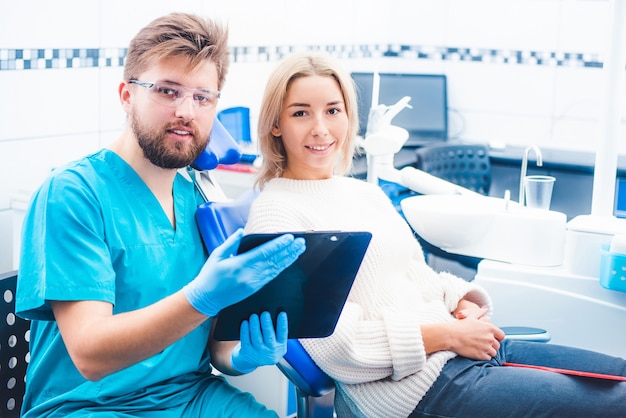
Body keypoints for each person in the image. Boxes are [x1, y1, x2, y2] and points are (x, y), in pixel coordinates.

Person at [243, 51, 626, 418]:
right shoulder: (279, 213)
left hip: (459, 351)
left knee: (618, 379)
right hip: (412, 391)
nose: (321, 129)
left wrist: (462, 302)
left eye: (332, 110)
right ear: (276, 124)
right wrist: (448, 336)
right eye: (300, 113)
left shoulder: (363, 192)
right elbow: (339, 346)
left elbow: (416, 275)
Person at [15, 13, 306, 417]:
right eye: (168, 91)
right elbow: (90, 354)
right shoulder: (73, 193)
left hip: (192, 396)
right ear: (126, 95)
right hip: (88, 405)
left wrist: (241, 356)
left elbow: (214, 351)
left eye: (203, 97)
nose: (186, 111)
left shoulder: (203, 200)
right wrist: (201, 298)